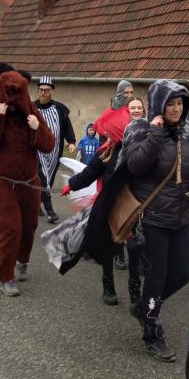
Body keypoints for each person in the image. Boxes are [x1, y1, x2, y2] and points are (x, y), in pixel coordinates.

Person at [125, 80, 189, 361]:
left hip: (180, 215)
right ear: (159, 104)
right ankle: (151, 332)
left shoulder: (188, 130)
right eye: (170, 103)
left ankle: (144, 307)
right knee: (156, 278)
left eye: (180, 103)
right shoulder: (140, 129)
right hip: (152, 218)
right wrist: (156, 134)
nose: (176, 109)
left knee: (182, 274)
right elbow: (135, 166)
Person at [0, 65, 55, 295]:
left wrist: (37, 128)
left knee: (29, 228)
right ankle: (5, 276)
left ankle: (22, 260)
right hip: (3, 183)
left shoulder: (32, 114)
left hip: (30, 183)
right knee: (11, 229)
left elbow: (49, 145)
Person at [63, 107, 129, 305]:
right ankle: (108, 283)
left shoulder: (140, 148)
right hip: (110, 204)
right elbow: (90, 172)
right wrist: (71, 185)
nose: (105, 135)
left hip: (135, 206)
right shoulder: (108, 150)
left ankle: (135, 289)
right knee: (108, 244)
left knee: (135, 246)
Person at [34, 75, 76, 223]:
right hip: (37, 150)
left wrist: (71, 141)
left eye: (46, 90)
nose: (43, 93)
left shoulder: (59, 108)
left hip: (54, 151)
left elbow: (67, 126)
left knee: (49, 180)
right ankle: (50, 212)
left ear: (51, 91)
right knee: (44, 178)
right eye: (41, 90)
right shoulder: (31, 108)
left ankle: (36, 203)